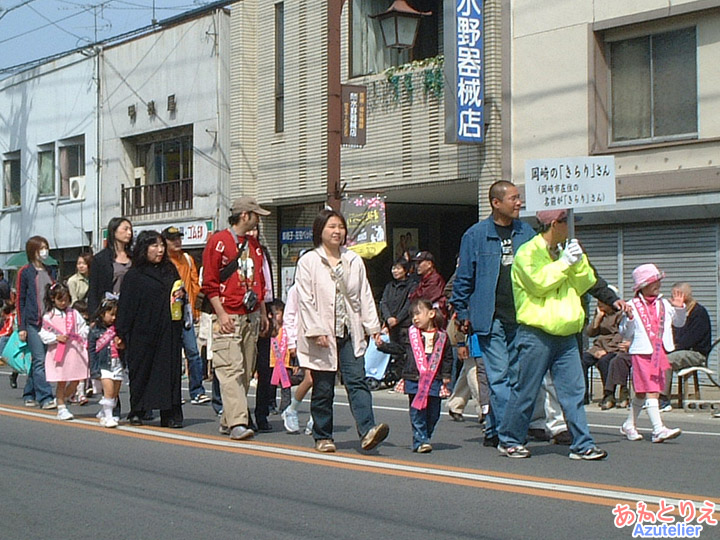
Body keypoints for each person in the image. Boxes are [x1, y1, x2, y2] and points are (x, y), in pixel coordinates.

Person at [499, 209, 607, 460]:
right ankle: (510, 439)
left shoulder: (566, 250)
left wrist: (578, 262)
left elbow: (584, 284)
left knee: (574, 392)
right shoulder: (528, 252)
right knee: (526, 389)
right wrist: (564, 263)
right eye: (568, 222)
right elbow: (538, 283)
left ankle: (583, 444)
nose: (572, 227)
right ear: (554, 224)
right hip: (536, 333)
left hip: (567, 334)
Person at [449, 180, 536, 447]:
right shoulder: (475, 235)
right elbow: (464, 278)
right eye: (513, 198)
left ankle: (495, 428)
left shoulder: (527, 233)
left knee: (517, 377)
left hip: (523, 318)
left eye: (519, 198)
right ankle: (510, 435)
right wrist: (463, 311)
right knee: (498, 377)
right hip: (490, 318)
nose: (519, 203)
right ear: (496, 203)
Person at [295, 209, 389, 453]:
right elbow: (305, 299)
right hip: (321, 334)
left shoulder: (353, 260)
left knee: (357, 380)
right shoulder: (309, 261)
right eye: (331, 227)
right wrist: (315, 330)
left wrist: (373, 327)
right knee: (324, 386)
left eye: (340, 227)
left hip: (349, 331)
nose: (337, 231)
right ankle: (323, 435)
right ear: (320, 231)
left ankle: (368, 430)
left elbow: (364, 295)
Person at [201, 196, 270, 441]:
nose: (258, 220)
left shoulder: (255, 245)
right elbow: (209, 283)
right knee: (230, 368)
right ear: (244, 215)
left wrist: (262, 312)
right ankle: (239, 422)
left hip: (250, 314)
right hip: (228, 313)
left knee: (246, 371)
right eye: (256, 215)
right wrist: (221, 313)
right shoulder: (218, 242)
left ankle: (227, 419)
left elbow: (260, 282)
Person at [116, 230, 184, 428]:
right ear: (144, 249)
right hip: (142, 331)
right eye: (154, 246)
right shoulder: (134, 275)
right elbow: (126, 305)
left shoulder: (170, 270)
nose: (160, 250)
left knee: (168, 372)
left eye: (162, 245)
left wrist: (181, 297)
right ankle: (138, 410)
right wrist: (121, 332)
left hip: (168, 329)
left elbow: (180, 295)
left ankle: (169, 413)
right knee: (142, 370)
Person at [619, 264, 685, 443]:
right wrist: (630, 319)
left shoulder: (664, 304)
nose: (657, 285)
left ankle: (629, 424)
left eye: (658, 281)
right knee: (652, 390)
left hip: (658, 352)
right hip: (641, 352)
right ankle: (658, 429)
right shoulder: (632, 305)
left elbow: (679, 323)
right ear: (642, 285)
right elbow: (625, 332)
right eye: (652, 282)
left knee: (642, 392)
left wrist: (679, 308)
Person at [163, 226, 210, 405]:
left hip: (186, 314)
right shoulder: (164, 262)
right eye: (172, 239)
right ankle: (174, 392)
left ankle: (197, 391)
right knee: (172, 355)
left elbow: (195, 285)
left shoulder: (188, 259)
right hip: (169, 315)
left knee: (193, 352)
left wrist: (197, 310)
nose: (177, 242)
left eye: (178, 238)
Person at [402, 298, 452, 453]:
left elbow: (448, 357)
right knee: (417, 411)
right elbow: (400, 350)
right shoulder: (410, 334)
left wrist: (446, 374)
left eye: (418, 314)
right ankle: (420, 440)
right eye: (413, 316)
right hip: (414, 377)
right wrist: (383, 346)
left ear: (431, 313)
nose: (415, 318)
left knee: (434, 412)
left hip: (434, 379)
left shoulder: (442, 336)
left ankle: (425, 436)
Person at [39, 282, 90, 421]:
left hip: (74, 350)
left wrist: (81, 336)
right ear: (53, 299)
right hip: (59, 351)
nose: (63, 302)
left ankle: (61, 399)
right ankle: (61, 407)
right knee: (61, 381)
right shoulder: (49, 316)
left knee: (76, 380)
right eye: (60, 299)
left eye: (66, 299)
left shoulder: (74, 313)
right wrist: (56, 337)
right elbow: (43, 334)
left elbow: (83, 327)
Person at [17, 236, 57, 409]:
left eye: (46, 247)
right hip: (33, 321)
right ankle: (45, 397)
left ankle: (29, 393)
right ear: (33, 250)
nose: (44, 251)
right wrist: (22, 327)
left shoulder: (50, 271)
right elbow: (21, 300)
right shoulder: (25, 272)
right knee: (40, 359)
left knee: (39, 361)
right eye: (41, 248)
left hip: (49, 322)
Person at [660, 282, 712, 411]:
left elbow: (689, 340)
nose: (673, 298)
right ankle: (650, 395)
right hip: (680, 350)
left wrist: (672, 347)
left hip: (696, 353)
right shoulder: (677, 312)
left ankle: (663, 399)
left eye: (677, 294)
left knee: (666, 361)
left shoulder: (698, 312)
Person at [581, 298, 631, 410]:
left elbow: (621, 334)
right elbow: (590, 333)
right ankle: (583, 395)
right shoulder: (600, 313)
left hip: (614, 346)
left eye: (602, 303)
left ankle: (608, 394)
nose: (599, 306)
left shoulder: (620, 314)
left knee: (605, 361)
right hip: (599, 346)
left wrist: (607, 350)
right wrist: (597, 319)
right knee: (583, 360)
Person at [280, 279, 314, 435]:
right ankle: (291, 410)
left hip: (324, 338)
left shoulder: (325, 284)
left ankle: (316, 419)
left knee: (324, 382)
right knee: (311, 378)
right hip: (304, 338)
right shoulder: (296, 289)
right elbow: (289, 316)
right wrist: (291, 342)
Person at [88, 295, 124, 428]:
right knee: (108, 391)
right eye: (111, 314)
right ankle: (109, 417)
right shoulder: (95, 330)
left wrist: (121, 344)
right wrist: (94, 369)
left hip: (118, 364)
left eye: (116, 315)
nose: (114, 318)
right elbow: (91, 350)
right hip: (104, 365)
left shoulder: (119, 329)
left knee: (114, 392)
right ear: (102, 313)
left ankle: (104, 412)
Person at [87, 217, 133, 315]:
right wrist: (93, 315)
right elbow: (93, 290)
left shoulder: (134, 258)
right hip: (108, 311)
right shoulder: (100, 259)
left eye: (130, 230)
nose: (129, 233)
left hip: (130, 309)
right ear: (114, 231)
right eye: (125, 229)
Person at [379, 258, 417, 348]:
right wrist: (388, 318)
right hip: (391, 326)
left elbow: (409, 304)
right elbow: (383, 302)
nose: (395, 271)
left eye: (398, 268)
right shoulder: (389, 286)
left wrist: (398, 319)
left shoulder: (412, 285)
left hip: (405, 325)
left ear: (405, 270)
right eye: (393, 268)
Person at [408, 251, 447, 320]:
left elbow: (424, 299)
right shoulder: (423, 279)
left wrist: (413, 296)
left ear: (429, 264)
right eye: (416, 263)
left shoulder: (435, 279)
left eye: (419, 263)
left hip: (434, 319)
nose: (417, 266)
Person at [1, 301, 18, 388]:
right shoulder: (13, 317)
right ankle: (14, 376)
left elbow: (8, 331)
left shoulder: (12, 317)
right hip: (17, 337)